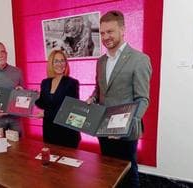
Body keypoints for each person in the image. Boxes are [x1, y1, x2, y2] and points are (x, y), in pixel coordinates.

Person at [86, 10, 152, 188]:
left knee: (129, 174)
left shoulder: (140, 59)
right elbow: (99, 90)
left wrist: (124, 126)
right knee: (108, 172)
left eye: (110, 31)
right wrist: (91, 99)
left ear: (123, 30)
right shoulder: (100, 62)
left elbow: (143, 99)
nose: (106, 36)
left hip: (125, 131)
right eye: (102, 33)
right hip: (102, 128)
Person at [35, 50, 81, 148]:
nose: (60, 64)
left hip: (67, 133)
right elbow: (43, 104)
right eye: (56, 61)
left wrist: (46, 114)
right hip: (49, 130)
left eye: (62, 60)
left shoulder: (72, 83)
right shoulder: (45, 82)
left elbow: (70, 109)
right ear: (51, 64)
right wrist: (33, 97)